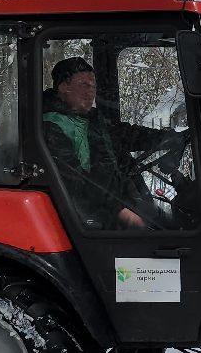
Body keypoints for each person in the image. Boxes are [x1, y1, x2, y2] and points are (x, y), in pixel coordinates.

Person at [42, 56, 176, 229]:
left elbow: (126, 135)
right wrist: (120, 211)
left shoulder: (91, 119)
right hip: (87, 215)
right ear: (63, 87)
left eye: (93, 86)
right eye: (84, 85)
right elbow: (74, 181)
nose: (90, 92)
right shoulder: (52, 126)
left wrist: (166, 138)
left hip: (115, 202)